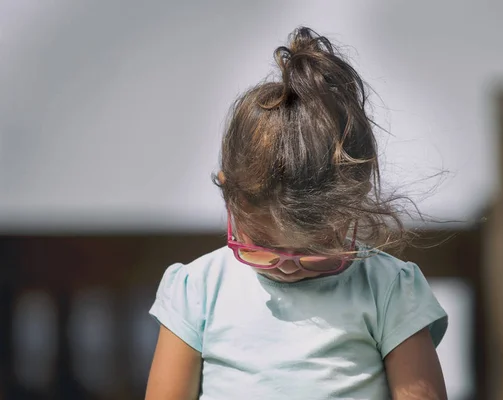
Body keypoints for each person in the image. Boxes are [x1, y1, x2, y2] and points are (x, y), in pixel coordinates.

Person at [145, 27, 448, 400]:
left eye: (316, 247)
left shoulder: (387, 290)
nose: (288, 265)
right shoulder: (198, 292)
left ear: (355, 198)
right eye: (264, 246)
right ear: (229, 197)